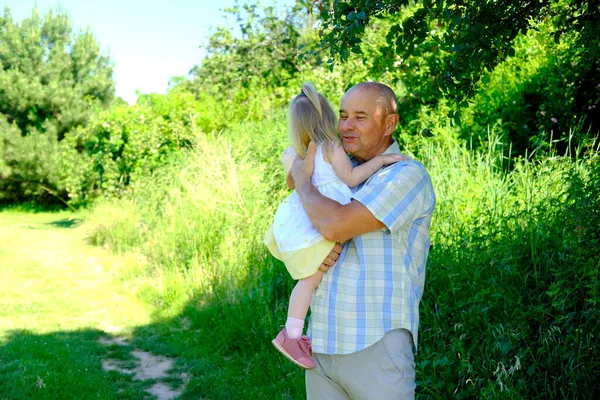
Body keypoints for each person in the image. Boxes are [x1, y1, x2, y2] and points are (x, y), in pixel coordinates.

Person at [289, 82, 436, 399]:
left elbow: (334, 224)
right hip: (322, 344)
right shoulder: (334, 172)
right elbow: (296, 233)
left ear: (389, 123)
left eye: (360, 117)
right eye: (342, 116)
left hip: (374, 344)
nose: (346, 126)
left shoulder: (404, 174)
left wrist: (301, 181)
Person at [264, 83, 405, 370]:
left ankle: (293, 332)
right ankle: (290, 334)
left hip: (303, 222)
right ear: (329, 118)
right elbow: (352, 178)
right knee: (312, 278)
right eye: (342, 116)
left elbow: (294, 183)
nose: (346, 124)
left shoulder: (302, 155)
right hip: (324, 221)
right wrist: (382, 160)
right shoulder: (331, 148)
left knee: (310, 279)